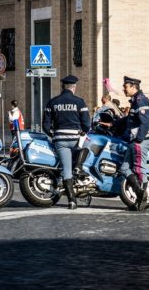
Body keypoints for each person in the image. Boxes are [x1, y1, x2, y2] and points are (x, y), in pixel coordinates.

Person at [42, 75, 91, 210]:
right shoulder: (80, 102)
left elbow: (45, 125)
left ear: (63, 86)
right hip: (76, 139)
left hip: (60, 140)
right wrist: (84, 131)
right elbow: (87, 123)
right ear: (74, 87)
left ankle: (72, 201)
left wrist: (52, 133)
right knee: (89, 144)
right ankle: (79, 166)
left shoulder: (52, 102)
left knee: (66, 170)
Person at [118, 76, 149, 211]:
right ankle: (140, 194)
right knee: (124, 168)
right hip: (134, 140)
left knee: (139, 169)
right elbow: (128, 120)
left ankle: (141, 200)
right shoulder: (135, 101)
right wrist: (112, 124)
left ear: (133, 87)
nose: (124, 89)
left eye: (125, 86)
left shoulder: (141, 100)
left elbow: (145, 122)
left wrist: (139, 138)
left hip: (140, 140)